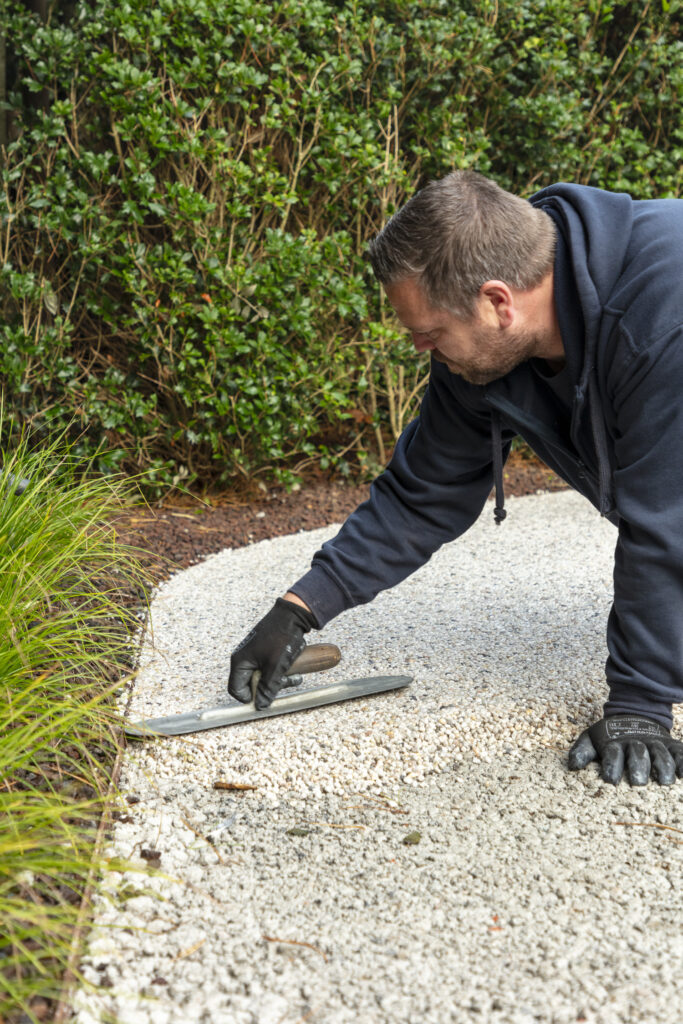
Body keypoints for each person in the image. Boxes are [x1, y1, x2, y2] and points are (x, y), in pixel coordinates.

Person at [229, 170, 683, 787]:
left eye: (430, 334)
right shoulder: (485, 355)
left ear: (497, 301)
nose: (422, 350)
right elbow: (423, 494)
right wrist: (300, 608)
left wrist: (639, 704)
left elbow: (665, 519)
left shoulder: (661, 316)